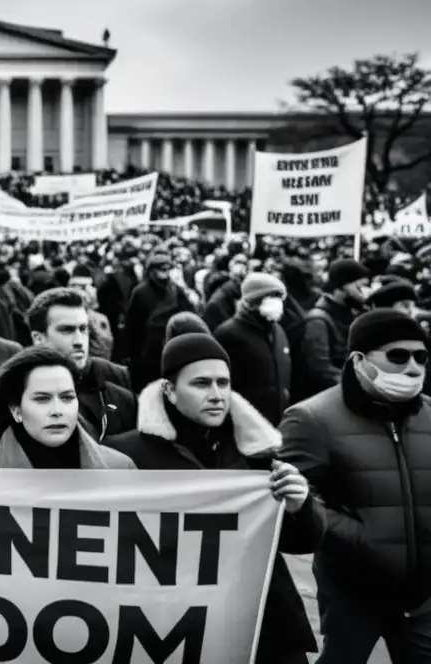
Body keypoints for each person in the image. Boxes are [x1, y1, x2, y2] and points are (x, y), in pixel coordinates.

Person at [106, 333, 324, 664]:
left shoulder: (255, 451)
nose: (217, 394)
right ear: (169, 389)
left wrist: (300, 506)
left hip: (264, 624)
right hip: (174, 625)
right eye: (202, 383)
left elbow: (299, 541)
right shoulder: (126, 454)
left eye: (224, 383)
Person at [280, 309, 431, 662]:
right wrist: (356, 536)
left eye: (421, 357)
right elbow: (295, 506)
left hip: (422, 597)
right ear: (359, 359)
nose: (412, 367)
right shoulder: (312, 418)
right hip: (353, 593)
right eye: (397, 356)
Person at [0, 346, 135, 470]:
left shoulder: (120, 468)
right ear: (16, 410)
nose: (57, 410)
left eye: (67, 397)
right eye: (42, 399)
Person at [27, 288, 135, 440]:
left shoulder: (115, 377)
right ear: (38, 338)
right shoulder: (20, 390)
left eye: (83, 329)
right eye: (67, 330)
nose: (79, 341)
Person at [214, 272, 293, 426]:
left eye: (279, 297)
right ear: (252, 302)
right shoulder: (228, 334)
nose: (277, 303)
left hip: (276, 421)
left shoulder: (277, 331)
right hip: (244, 424)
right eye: (270, 297)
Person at [124, 249, 195, 393]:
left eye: (168, 269)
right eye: (161, 269)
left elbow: (188, 314)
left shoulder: (176, 290)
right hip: (146, 349)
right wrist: (131, 354)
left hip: (170, 344)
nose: (165, 272)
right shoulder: (140, 292)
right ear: (152, 271)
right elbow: (132, 325)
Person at [298, 258, 369, 399]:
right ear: (341, 286)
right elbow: (321, 368)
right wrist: (361, 385)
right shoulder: (318, 320)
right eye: (359, 288)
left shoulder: (351, 314)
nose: (364, 294)